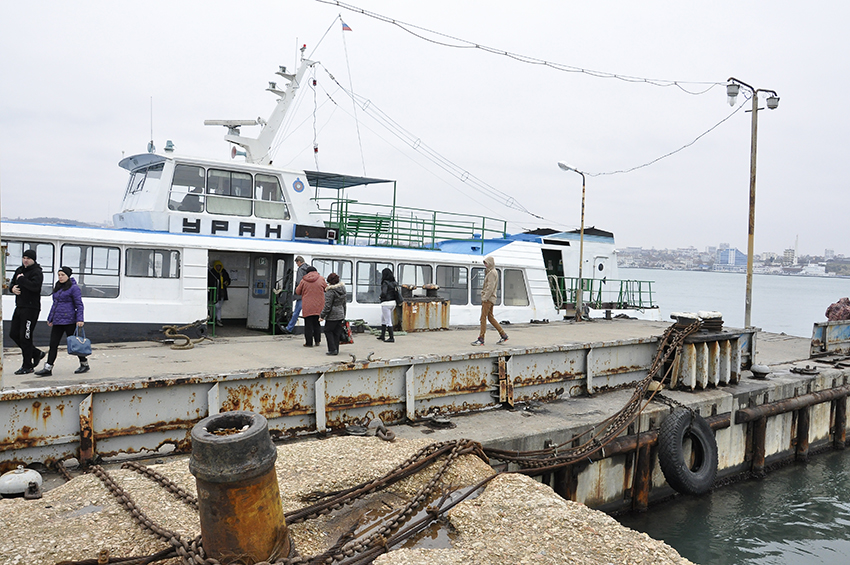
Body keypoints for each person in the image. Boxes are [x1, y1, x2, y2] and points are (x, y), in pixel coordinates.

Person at [35, 267, 89, 376]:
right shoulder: (58, 287)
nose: (60, 277)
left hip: (69, 320)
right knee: (53, 344)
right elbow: (55, 305)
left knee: (75, 344)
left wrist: (80, 319)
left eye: (63, 275)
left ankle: (84, 364)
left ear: (68, 276)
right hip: (58, 321)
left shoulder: (74, 288)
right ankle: (48, 368)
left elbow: (79, 305)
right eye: (59, 275)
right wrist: (50, 318)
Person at [9, 249, 45, 374]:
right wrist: (12, 288)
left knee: (26, 336)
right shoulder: (19, 270)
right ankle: (36, 353)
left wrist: (22, 280)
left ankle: (27, 365)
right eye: (24, 257)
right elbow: (13, 283)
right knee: (13, 334)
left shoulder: (37, 272)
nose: (25, 260)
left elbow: (35, 287)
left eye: (28, 258)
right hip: (19, 306)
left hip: (31, 308)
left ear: (33, 259)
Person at [471, 256, 508, 346]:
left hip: (488, 299)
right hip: (491, 298)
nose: (485, 265)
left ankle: (481, 339)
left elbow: (490, 287)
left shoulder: (492, 273)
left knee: (483, 318)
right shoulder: (492, 272)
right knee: (490, 317)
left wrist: (485, 297)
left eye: (486, 263)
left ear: (490, 263)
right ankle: (503, 335)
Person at [295, 266, 326, 347]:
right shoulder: (321, 279)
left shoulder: (303, 280)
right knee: (317, 323)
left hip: (307, 305)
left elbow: (298, 292)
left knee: (308, 325)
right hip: (318, 305)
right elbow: (326, 289)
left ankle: (309, 343)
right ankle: (317, 341)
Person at [320, 272, 347, 356]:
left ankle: (332, 349)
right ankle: (336, 349)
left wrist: (322, 315)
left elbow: (328, 306)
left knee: (327, 330)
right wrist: (344, 315)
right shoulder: (343, 289)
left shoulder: (330, 291)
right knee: (336, 332)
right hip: (341, 313)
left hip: (333, 314)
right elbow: (344, 304)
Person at [285, 256, 309, 333]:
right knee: (309, 313)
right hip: (308, 294)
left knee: (296, 312)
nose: (297, 265)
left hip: (301, 295)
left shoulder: (301, 269)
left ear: (299, 261)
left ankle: (289, 328)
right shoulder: (309, 268)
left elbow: (299, 281)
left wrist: (297, 291)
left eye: (296, 263)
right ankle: (310, 329)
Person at [377, 267, 398, 343]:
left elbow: (384, 292)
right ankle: (382, 335)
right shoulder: (394, 283)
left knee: (388, 320)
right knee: (383, 317)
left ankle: (391, 337)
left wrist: (381, 296)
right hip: (393, 303)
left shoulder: (385, 283)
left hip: (386, 303)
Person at [208, 260, 231, 327]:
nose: (218, 267)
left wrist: (226, 282)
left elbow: (228, 280)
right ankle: (215, 319)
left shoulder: (223, 271)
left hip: (222, 290)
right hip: (215, 291)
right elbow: (210, 281)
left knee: (219, 306)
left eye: (219, 266)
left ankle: (217, 319)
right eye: (217, 266)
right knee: (216, 306)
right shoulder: (212, 272)